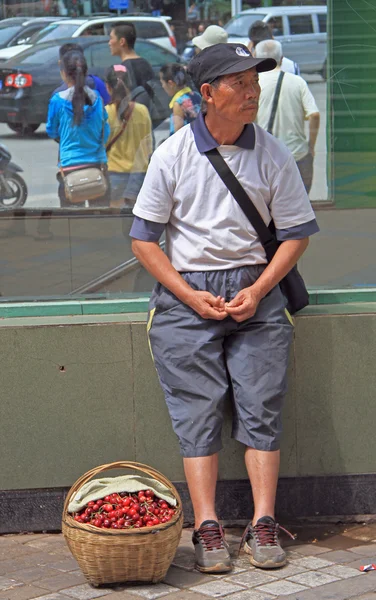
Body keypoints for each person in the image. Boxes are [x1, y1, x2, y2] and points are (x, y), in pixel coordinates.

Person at [130, 43, 319, 573]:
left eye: (254, 80)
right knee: (198, 409)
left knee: (263, 404)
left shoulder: (274, 153)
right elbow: (144, 240)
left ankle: (262, 521)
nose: (252, 90)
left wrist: (258, 290)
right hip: (187, 296)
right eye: (238, 82)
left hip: (255, 294)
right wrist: (188, 295)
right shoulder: (172, 154)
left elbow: (296, 236)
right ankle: (207, 525)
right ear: (207, 94)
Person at [255, 40, 320, 194]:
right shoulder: (298, 82)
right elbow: (314, 114)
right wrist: (311, 146)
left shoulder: (254, 85)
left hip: (266, 158)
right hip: (298, 155)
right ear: (282, 59)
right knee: (299, 208)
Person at [46, 51, 110, 208]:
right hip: (98, 168)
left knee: (71, 225)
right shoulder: (98, 99)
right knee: (101, 221)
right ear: (86, 72)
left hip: (69, 169)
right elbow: (105, 132)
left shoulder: (57, 101)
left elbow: (52, 131)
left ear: (64, 74)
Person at [105, 65, 152, 208]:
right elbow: (148, 145)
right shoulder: (142, 110)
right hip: (139, 174)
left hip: (115, 174)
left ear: (108, 87)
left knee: (115, 222)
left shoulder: (106, 113)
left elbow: (101, 144)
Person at [109, 23, 154, 91]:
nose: (109, 43)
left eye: (111, 38)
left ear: (122, 41)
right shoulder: (146, 63)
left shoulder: (123, 70)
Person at [159, 63, 201, 135]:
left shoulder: (178, 103)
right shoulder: (197, 95)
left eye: (162, 83)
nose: (162, 86)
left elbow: (178, 134)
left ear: (170, 83)